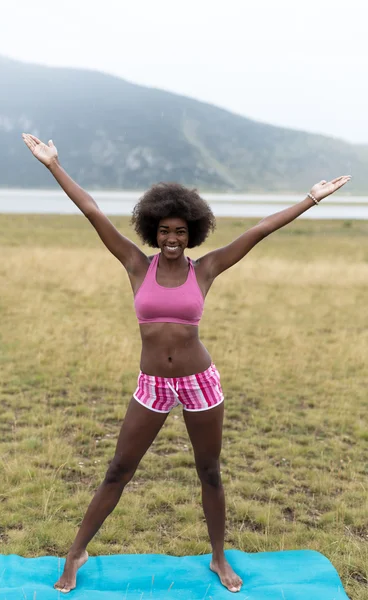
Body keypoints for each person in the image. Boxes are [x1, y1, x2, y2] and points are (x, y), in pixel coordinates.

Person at [22, 133, 350, 594]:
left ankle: (218, 557)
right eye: (164, 230)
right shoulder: (137, 265)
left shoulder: (206, 269)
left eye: (180, 231)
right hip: (153, 384)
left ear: (191, 232)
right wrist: (53, 165)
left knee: (209, 470)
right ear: (152, 231)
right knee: (118, 468)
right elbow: (93, 211)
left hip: (200, 382)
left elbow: (258, 231)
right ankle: (76, 552)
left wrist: (310, 200)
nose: (172, 239)